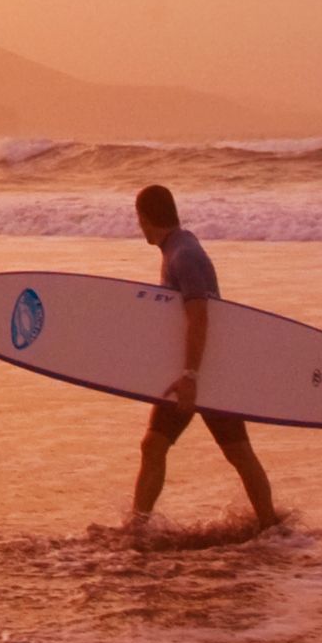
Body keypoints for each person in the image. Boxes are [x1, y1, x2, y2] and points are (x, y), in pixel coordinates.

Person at [130, 184, 276, 532]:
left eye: (139, 219)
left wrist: (191, 377)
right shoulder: (179, 247)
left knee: (235, 452)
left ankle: (271, 527)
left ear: (146, 218)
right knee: (157, 445)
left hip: (202, 372)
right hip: (197, 367)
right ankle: (137, 528)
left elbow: (200, 316)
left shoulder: (185, 256)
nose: (139, 226)